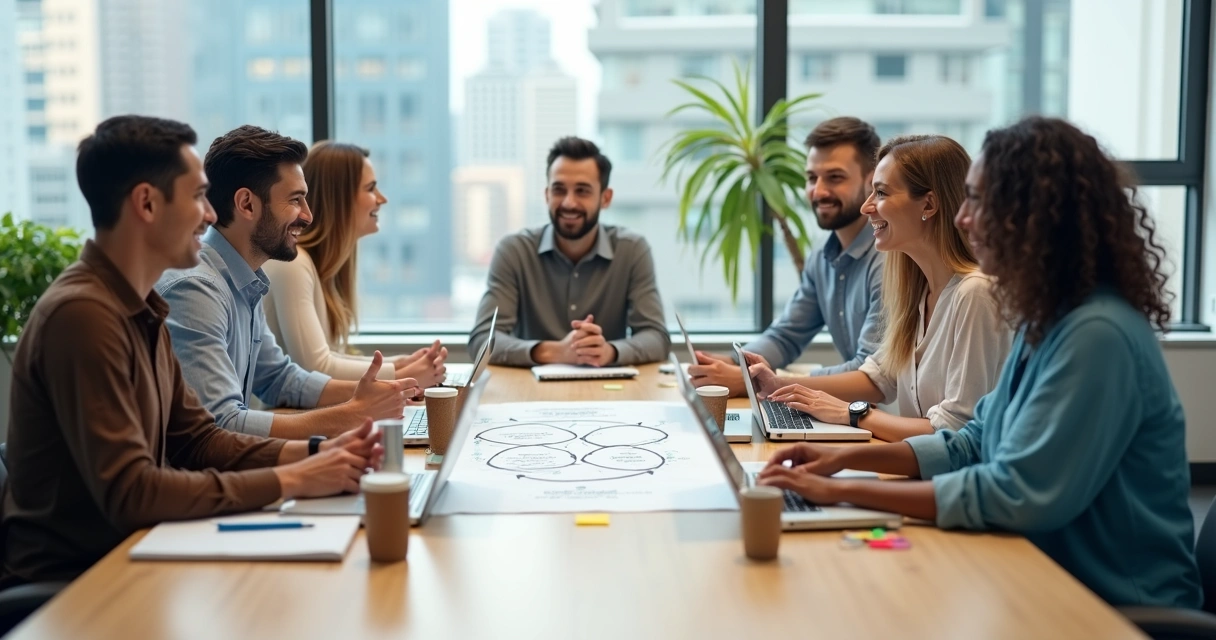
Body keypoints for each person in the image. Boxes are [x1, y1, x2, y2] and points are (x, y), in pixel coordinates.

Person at [756, 116, 1201, 609]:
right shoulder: (1048, 322)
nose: (963, 218)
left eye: (979, 201)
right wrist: (845, 461)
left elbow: (1013, 494)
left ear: (1037, 216)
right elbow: (972, 442)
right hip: (1047, 579)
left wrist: (844, 492)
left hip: (1116, 607)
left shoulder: (1098, 335)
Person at [1, 116, 384, 588]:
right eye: (198, 196)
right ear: (146, 204)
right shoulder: (84, 315)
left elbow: (200, 439)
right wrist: (296, 478)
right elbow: (132, 492)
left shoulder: (140, 304)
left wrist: (317, 454)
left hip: (130, 554)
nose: (209, 215)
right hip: (76, 584)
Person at [156, 125, 417, 440]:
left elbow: (281, 379)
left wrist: (381, 393)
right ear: (247, 205)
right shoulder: (197, 289)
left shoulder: (244, 281)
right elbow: (221, 425)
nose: (307, 216)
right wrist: (352, 414)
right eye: (296, 200)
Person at [746, 135, 1011, 441]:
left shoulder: (975, 294)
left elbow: (953, 430)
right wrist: (778, 385)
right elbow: (880, 377)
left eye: (881, 193)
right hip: (924, 474)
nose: (866, 207)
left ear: (929, 204)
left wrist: (851, 414)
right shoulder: (918, 290)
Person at [689, 117, 885, 397]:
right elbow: (786, 335)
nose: (818, 191)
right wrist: (734, 363)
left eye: (835, 177)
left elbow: (869, 375)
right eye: (811, 178)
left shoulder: (887, 260)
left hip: (891, 422)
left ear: (872, 181)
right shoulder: (822, 255)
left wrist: (758, 380)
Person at [468, 136, 670, 367]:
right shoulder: (514, 251)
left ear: (605, 198)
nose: (568, 203)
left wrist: (609, 352)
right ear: (546, 195)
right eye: (559, 190)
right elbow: (482, 340)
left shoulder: (632, 250)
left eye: (582, 191)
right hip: (527, 393)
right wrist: (553, 352)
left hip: (608, 391)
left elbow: (657, 338)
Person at [263, 141, 448, 385]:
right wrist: (403, 376)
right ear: (340, 198)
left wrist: (400, 364)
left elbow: (327, 356)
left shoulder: (316, 266)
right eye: (371, 189)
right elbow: (316, 367)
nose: (382, 199)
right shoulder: (293, 264)